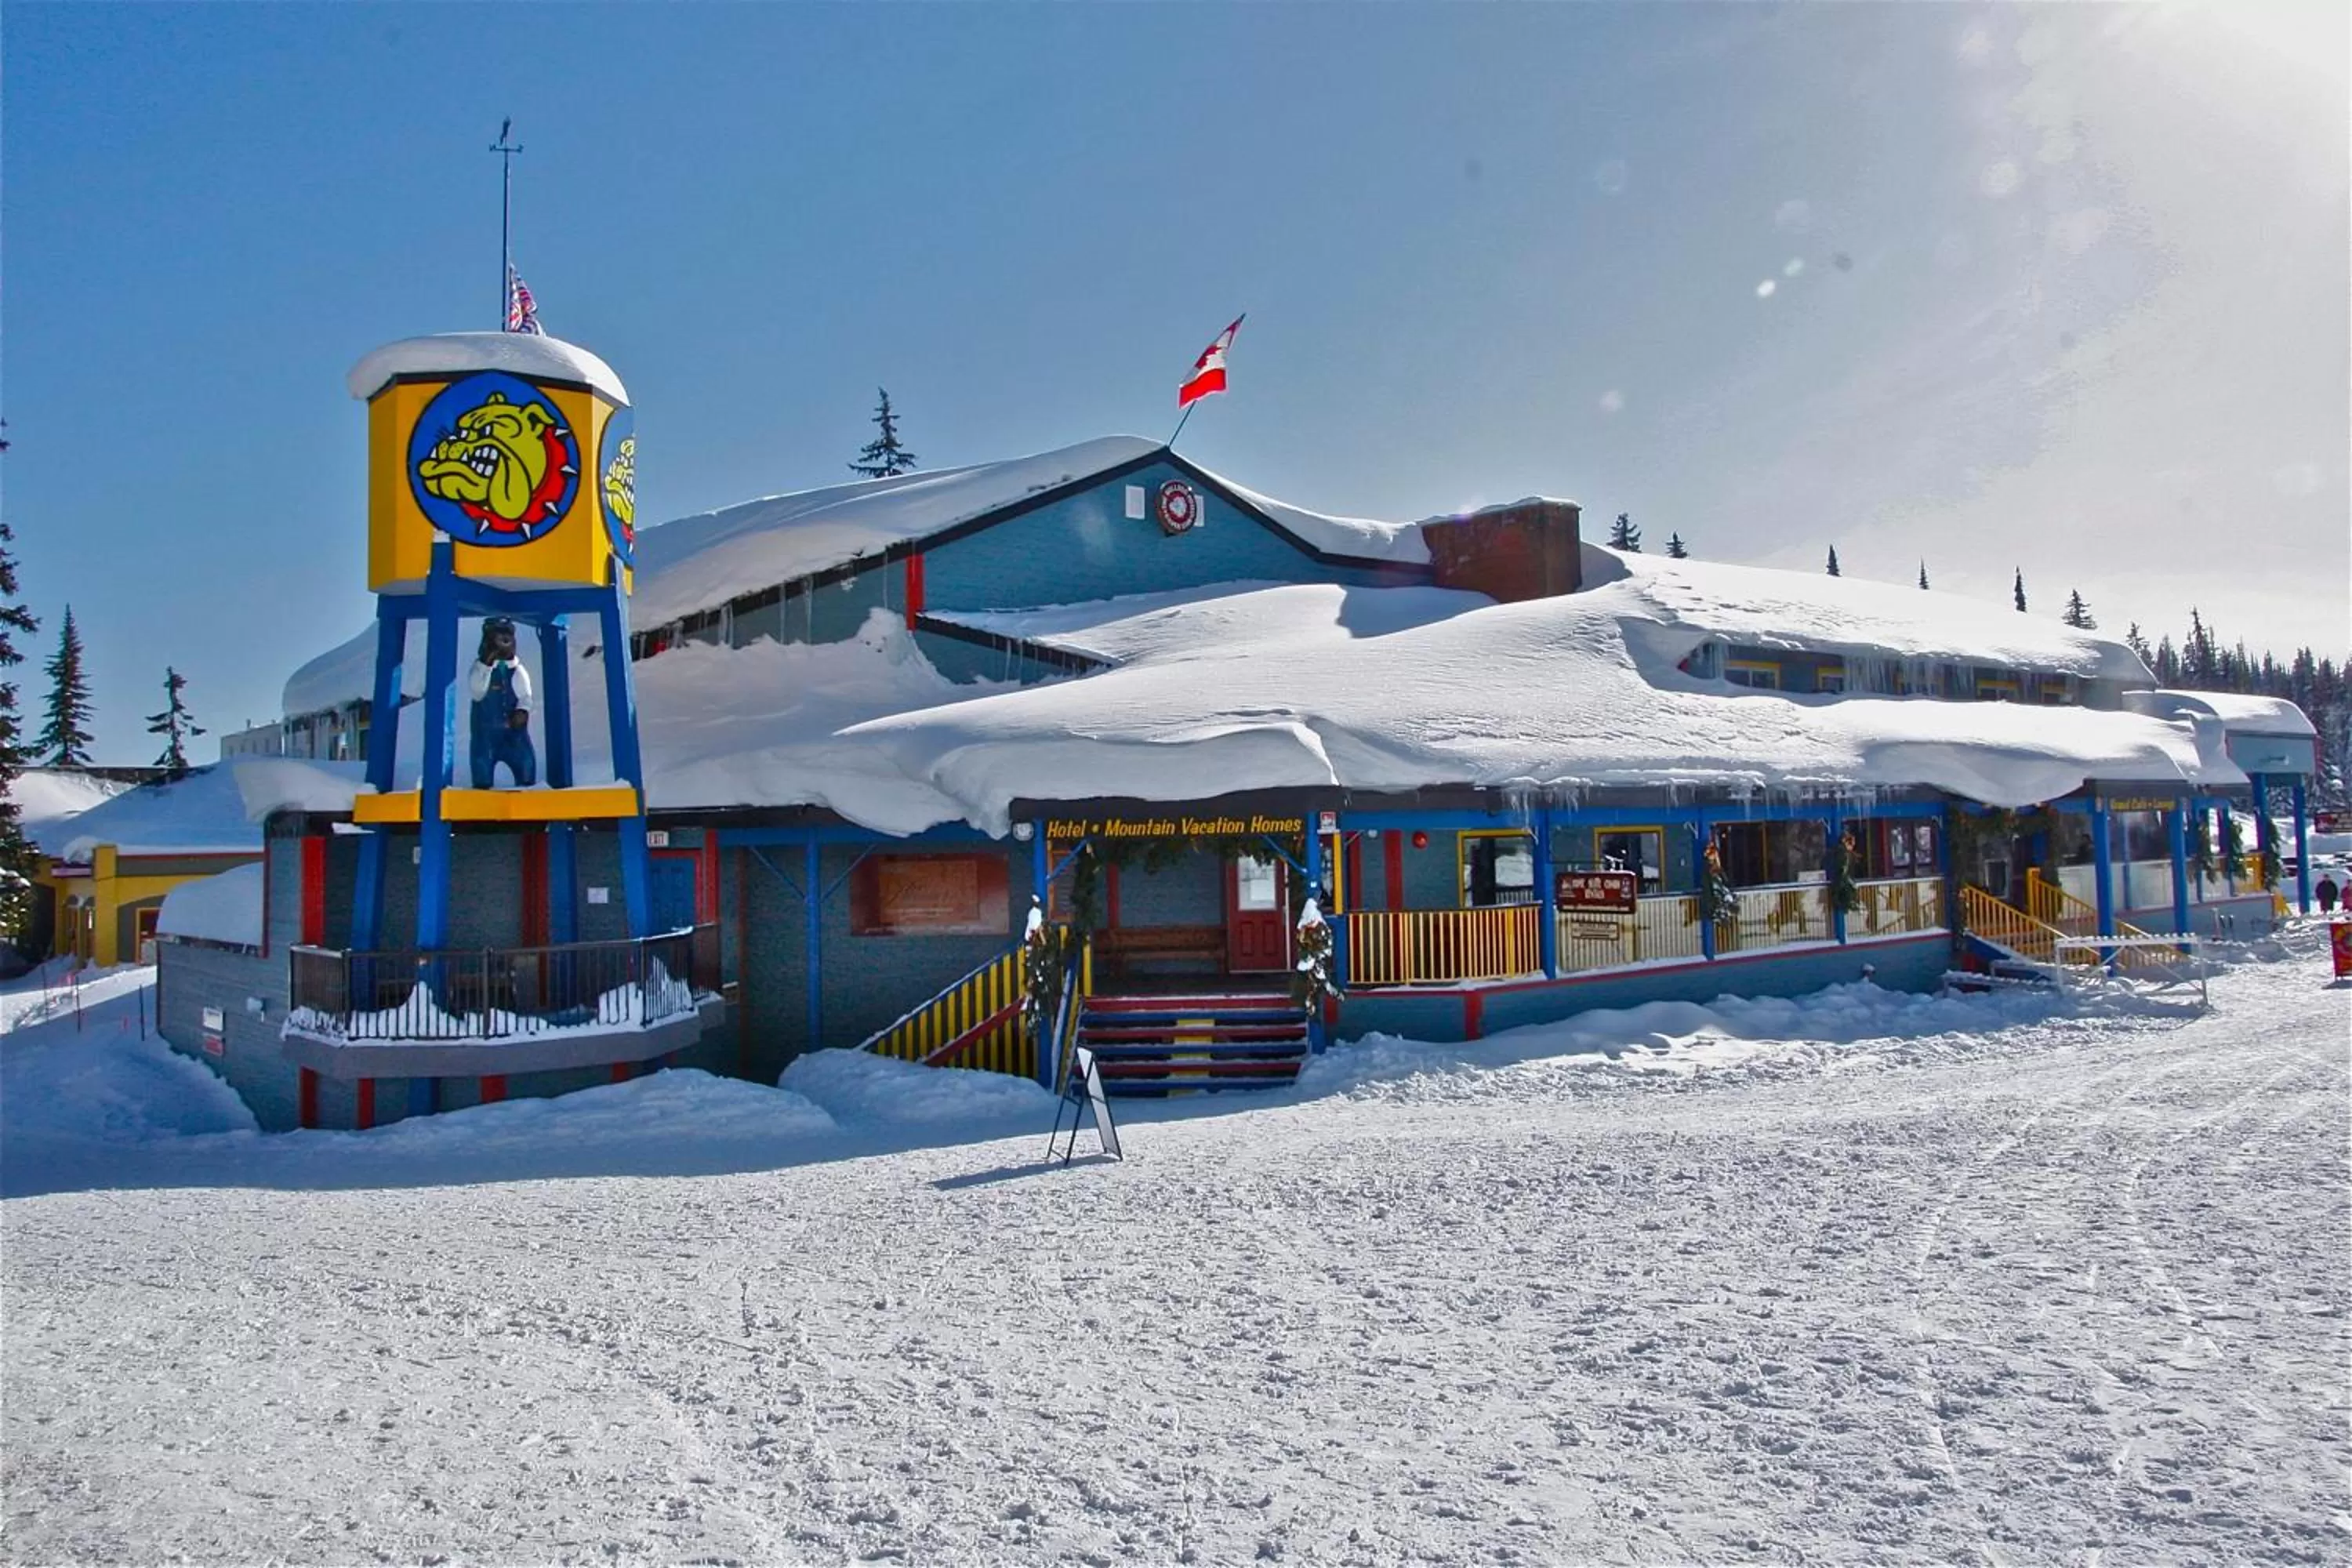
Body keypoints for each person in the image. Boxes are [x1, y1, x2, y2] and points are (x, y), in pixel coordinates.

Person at [468, 617, 538, 789]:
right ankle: (482, 798)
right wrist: (487, 662)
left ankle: (527, 793)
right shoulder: (480, 670)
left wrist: (523, 710)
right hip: (486, 734)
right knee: (482, 768)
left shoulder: (517, 671)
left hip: (514, 735)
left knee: (526, 763)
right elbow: (477, 692)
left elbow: (525, 695)